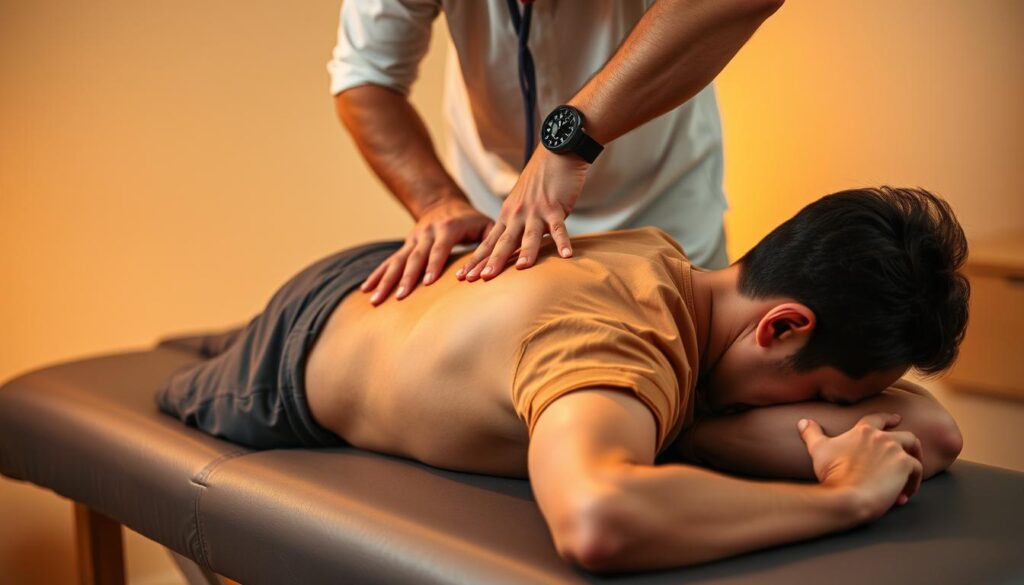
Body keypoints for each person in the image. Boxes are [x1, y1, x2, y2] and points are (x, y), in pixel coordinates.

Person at [155, 186, 968, 572]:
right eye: (828, 396)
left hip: (396, 286)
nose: (835, 415)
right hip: (288, 362)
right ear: (782, 326)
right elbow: (597, 520)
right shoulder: (616, 352)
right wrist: (839, 500)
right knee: (176, 370)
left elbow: (934, 432)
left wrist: (711, 428)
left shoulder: (667, 264)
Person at [329, 0, 786, 306]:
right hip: (501, 240)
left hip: (666, 222)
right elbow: (365, 78)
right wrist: (435, 201)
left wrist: (571, 140)